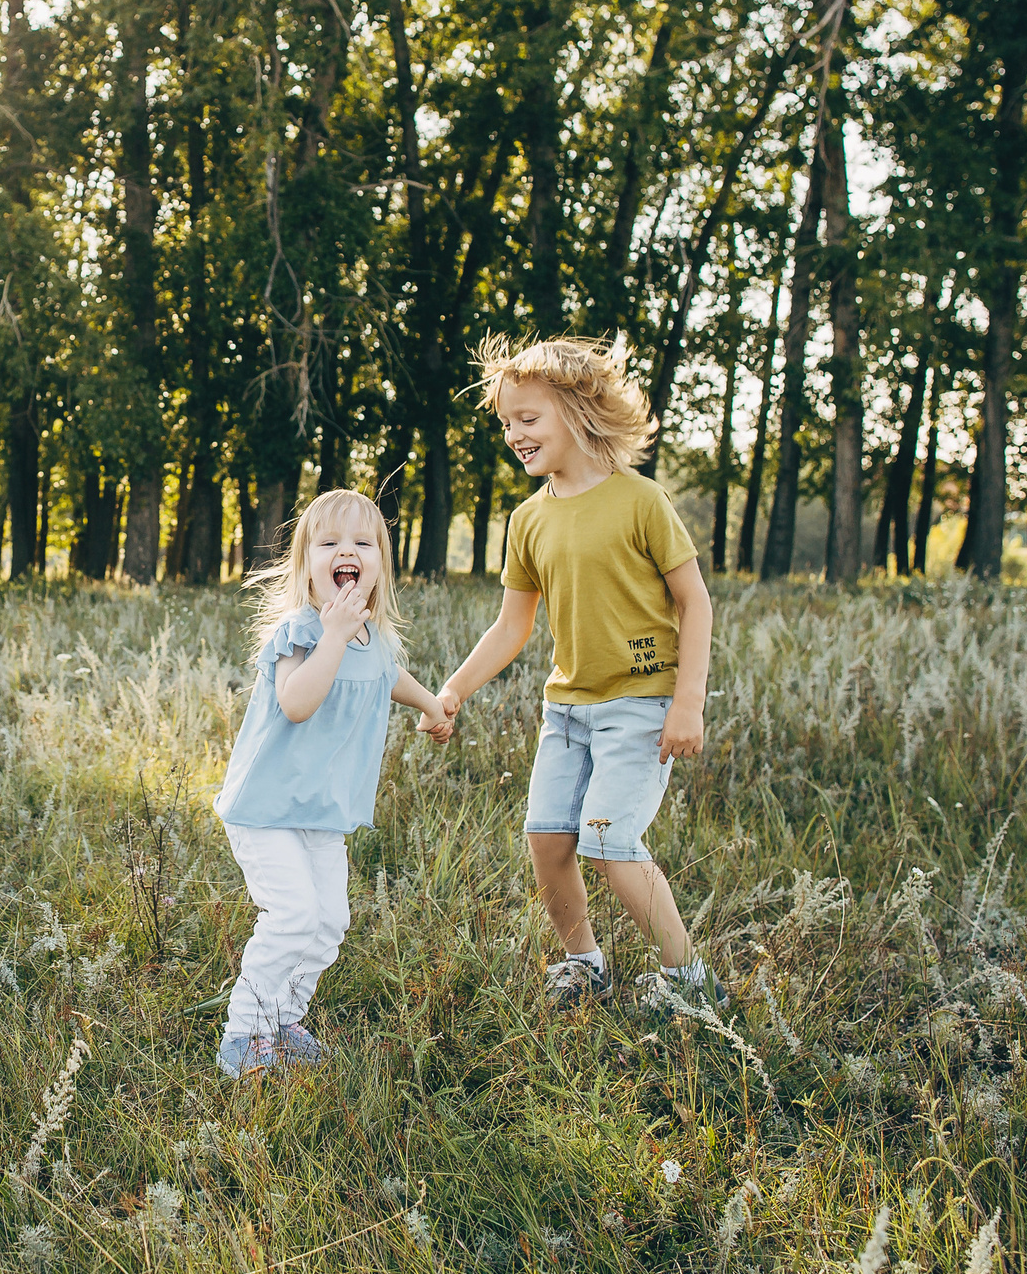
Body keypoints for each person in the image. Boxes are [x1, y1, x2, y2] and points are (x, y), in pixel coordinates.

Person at [436, 336, 722, 1007]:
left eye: (528, 418)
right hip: (566, 712)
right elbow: (512, 625)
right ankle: (584, 963)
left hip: (641, 704)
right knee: (546, 837)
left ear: (576, 411)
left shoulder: (641, 500)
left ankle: (690, 981)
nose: (514, 434)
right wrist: (454, 688)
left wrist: (688, 702)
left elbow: (695, 601)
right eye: (507, 422)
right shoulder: (528, 520)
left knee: (607, 839)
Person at [210, 488, 450, 1079]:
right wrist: (334, 636)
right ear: (306, 565)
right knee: (292, 915)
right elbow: (296, 703)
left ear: (380, 564)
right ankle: (245, 1033)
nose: (347, 551)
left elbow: (389, 674)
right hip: (266, 808)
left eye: (363, 542)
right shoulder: (301, 630)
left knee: (328, 922)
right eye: (330, 543)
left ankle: (284, 1018)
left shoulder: (374, 637)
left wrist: (432, 706)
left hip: (321, 811)